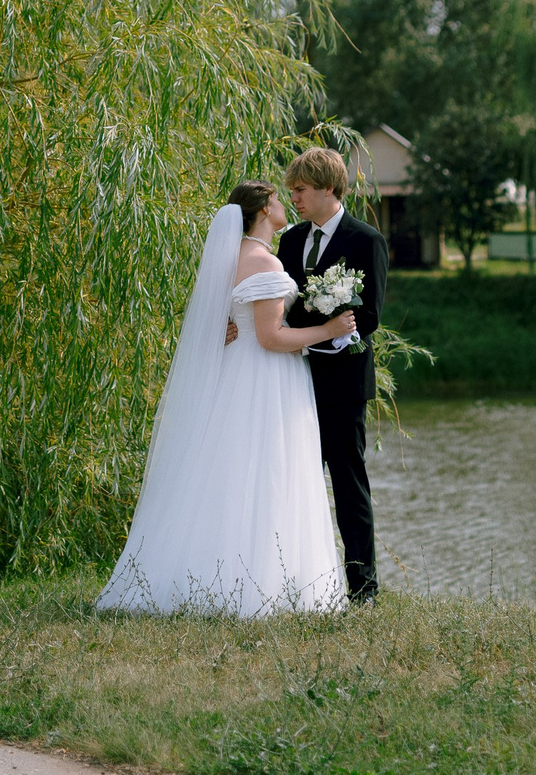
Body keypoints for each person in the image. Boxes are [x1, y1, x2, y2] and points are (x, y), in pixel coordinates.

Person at [94, 181, 358, 616]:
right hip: (265, 376)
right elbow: (273, 337)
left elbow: (220, 321)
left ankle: (205, 574)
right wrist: (330, 331)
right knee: (267, 470)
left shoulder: (231, 258)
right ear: (261, 211)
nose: (284, 205)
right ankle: (262, 583)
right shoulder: (265, 262)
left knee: (227, 470)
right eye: (277, 199)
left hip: (236, 372)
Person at [276, 146, 389, 603]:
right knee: (290, 482)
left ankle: (363, 589)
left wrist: (322, 327)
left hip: (341, 384)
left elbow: (371, 315)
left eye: (300, 191)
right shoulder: (290, 239)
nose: (295, 200)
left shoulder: (366, 240)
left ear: (327, 187)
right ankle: (288, 584)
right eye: (292, 193)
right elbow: (278, 302)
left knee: (348, 485)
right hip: (287, 378)